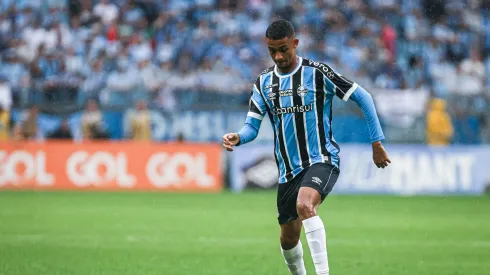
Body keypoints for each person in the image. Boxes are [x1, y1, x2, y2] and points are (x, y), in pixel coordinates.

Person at [222, 20, 391, 275]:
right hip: (288, 171)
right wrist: (239, 137)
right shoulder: (264, 83)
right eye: (272, 51)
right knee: (288, 240)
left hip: (321, 159)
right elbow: (252, 127)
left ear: (295, 43)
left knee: (305, 205)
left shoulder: (317, 73)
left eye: (283, 49)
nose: (278, 56)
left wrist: (376, 142)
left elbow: (363, 97)